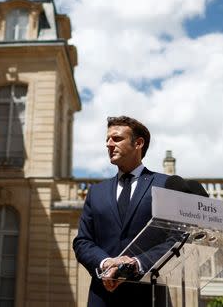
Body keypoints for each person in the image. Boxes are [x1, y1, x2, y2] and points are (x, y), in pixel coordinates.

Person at [72, 116, 173, 306]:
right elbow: (82, 241)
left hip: (149, 296)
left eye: (117, 139)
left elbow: (175, 240)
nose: (109, 144)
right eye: (107, 140)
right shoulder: (96, 192)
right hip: (103, 296)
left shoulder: (165, 185)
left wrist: (135, 264)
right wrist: (106, 263)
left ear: (138, 143)